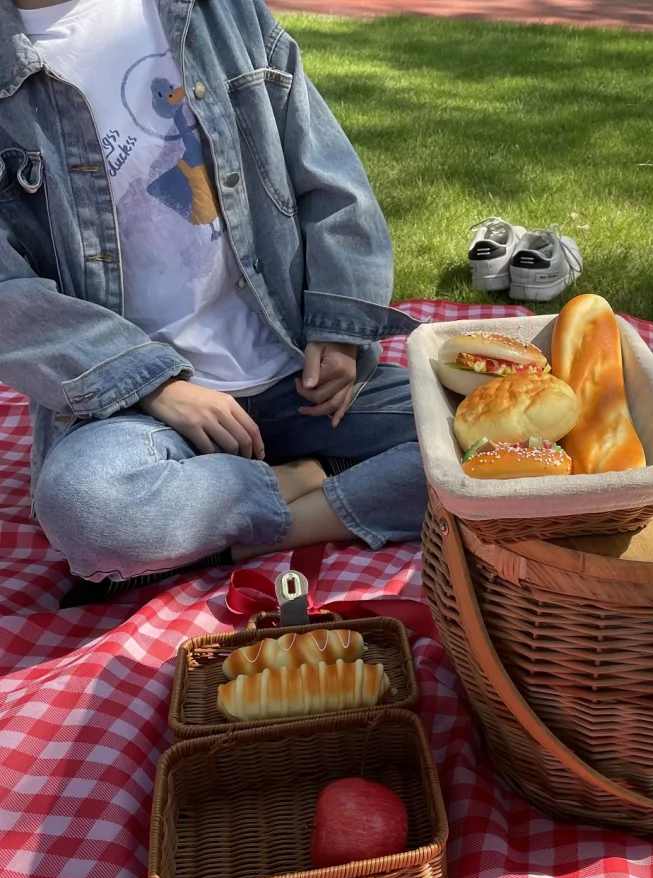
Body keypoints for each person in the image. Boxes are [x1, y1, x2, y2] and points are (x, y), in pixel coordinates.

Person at [0, 0, 426, 596]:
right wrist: (156, 385)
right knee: (86, 508)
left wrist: (338, 326)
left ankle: (278, 516)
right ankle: (305, 480)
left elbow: (328, 173)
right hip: (136, 410)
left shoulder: (215, 12)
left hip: (295, 375)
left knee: (510, 444)